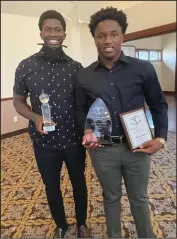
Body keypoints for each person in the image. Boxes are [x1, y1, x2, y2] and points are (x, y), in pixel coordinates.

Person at [75, 7, 168, 238]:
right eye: (101, 35)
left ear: (122, 36)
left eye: (113, 34)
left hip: (138, 147)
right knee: (111, 197)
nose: (108, 40)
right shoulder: (84, 76)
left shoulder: (143, 69)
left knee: (139, 198)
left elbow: (158, 105)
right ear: (95, 38)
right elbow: (80, 108)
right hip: (103, 149)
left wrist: (161, 139)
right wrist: (86, 129)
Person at [13, 10, 90, 238]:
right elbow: (18, 101)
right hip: (44, 143)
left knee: (79, 185)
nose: (53, 33)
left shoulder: (77, 68)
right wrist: (35, 117)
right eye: (48, 29)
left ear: (64, 34)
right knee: (51, 187)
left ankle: (82, 224)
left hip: (74, 141)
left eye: (58, 29)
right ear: (41, 32)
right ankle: (61, 225)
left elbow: (85, 104)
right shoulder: (26, 66)